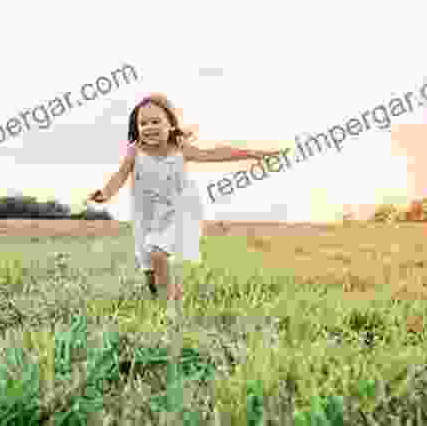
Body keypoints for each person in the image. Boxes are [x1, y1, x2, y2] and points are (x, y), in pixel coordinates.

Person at [88, 93, 283, 318]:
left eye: (155, 122)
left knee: (158, 253)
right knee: (149, 267)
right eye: (143, 123)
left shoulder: (180, 149)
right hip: (146, 216)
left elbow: (215, 154)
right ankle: (160, 297)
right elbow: (120, 176)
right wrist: (105, 194)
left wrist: (254, 154)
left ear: (170, 125)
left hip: (178, 212)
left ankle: (170, 309)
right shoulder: (135, 151)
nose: (148, 127)